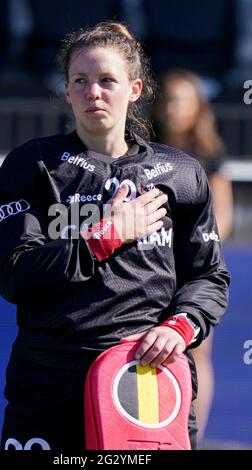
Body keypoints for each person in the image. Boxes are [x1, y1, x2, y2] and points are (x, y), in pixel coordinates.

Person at [0, 22, 230, 451]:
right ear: (66, 91)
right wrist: (105, 235)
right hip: (49, 382)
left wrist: (180, 326)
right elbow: (14, 274)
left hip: (145, 380)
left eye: (107, 80)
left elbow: (209, 278)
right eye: (80, 81)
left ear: (135, 89)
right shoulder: (32, 166)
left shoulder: (183, 173)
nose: (92, 92)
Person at [154, 69, 233, 442]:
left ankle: (192, 437)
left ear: (197, 107)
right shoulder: (144, 150)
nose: (173, 109)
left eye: (182, 100)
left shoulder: (210, 155)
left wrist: (188, 242)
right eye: (168, 99)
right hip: (150, 269)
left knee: (196, 356)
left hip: (194, 269)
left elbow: (225, 219)